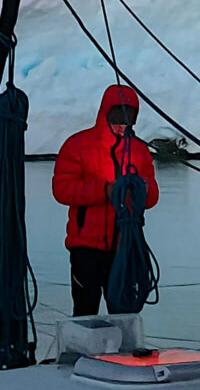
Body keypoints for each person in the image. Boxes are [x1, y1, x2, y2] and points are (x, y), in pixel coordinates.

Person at [52, 85, 159, 317]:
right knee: (85, 311)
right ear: (105, 114)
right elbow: (61, 189)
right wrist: (105, 191)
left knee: (124, 313)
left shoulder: (139, 151)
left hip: (124, 246)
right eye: (118, 118)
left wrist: (143, 190)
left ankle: (123, 351)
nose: (123, 125)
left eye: (128, 119)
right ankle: (83, 351)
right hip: (86, 248)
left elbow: (152, 198)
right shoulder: (78, 145)